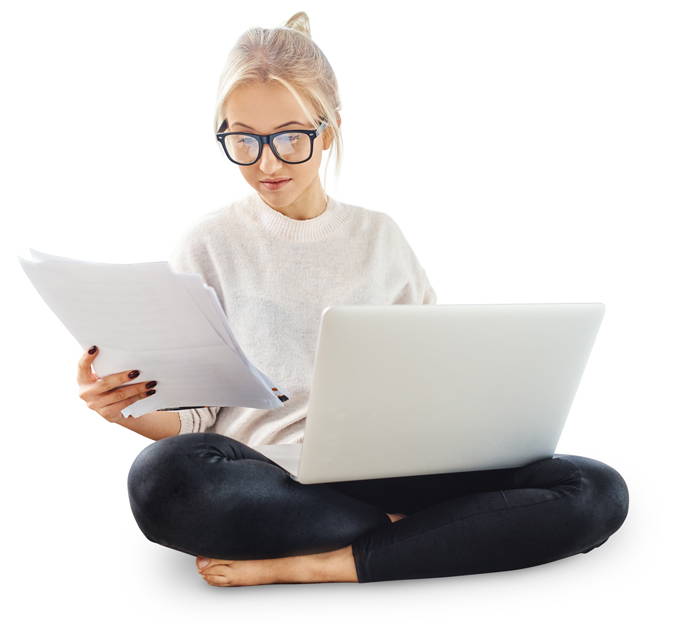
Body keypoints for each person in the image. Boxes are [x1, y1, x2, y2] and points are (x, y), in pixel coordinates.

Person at [78, 11, 629, 587]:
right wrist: (126, 410)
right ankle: (440, 534)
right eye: (243, 139)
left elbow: (436, 375)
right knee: (162, 480)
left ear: (330, 128)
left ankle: (326, 561)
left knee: (595, 489)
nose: (267, 163)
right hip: (269, 482)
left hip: (395, 469)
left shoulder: (380, 237)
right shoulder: (209, 243)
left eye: (291, 137)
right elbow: (196, 421)